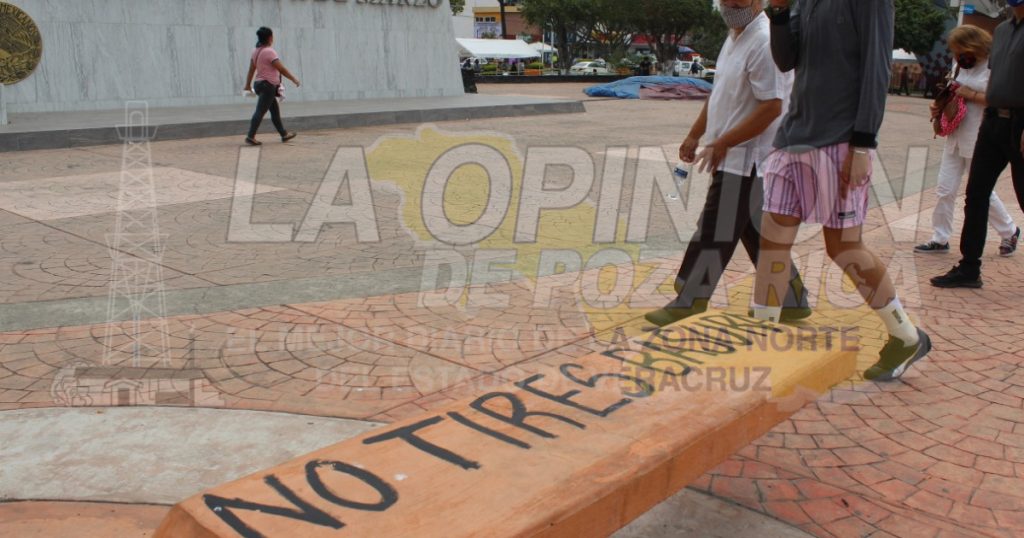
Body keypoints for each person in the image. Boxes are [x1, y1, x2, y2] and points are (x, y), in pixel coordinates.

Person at [757, 0, 931, 381]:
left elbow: (876, 68)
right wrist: (780, 14)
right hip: (793, 137)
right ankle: (761, 339)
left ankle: (904, 335)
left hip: (841, 142)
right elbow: (787, 61)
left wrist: (863, 145)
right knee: (772, 242)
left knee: (843, 247)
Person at [645, 0, 810, 327]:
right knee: (755, 232)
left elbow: (772, 107)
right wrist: (695, 134)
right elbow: (720, 92)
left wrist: (723, 142)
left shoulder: (763, 41)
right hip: (732, 155)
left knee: (714, 230)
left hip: (749, 159)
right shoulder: (735, 35)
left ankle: (690, 298)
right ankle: (791, 299)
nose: (732, 3)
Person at [932, 2, 1024, 288]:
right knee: (976, 195)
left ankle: (1006, 236)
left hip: (1021, 121)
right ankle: (969, 268)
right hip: (994, 122)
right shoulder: (1004, 30)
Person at [916, 26, 1020, 257]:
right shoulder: (960, 65)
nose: (958, 56)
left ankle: (1009, 230)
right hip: (956, 133)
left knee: (980, 191)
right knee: (945, 189)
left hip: (980, 135)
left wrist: (970, 95)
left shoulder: (994, 65)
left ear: (975, 46)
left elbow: (1000, 98)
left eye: (961, 50)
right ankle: (940, 237)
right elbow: (954, 88)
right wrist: (940, 104)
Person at [244, 27, 300, 146]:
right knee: (260, 111)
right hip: (267, 85)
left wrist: (247, 84)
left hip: (260, 84)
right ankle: (250, 136)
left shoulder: (256, 51)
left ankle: (284, 134)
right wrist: (294, 79)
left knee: (274, 111)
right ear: (270, 37)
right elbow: (281, 69)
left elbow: (251, 70)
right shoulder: (269, 51)